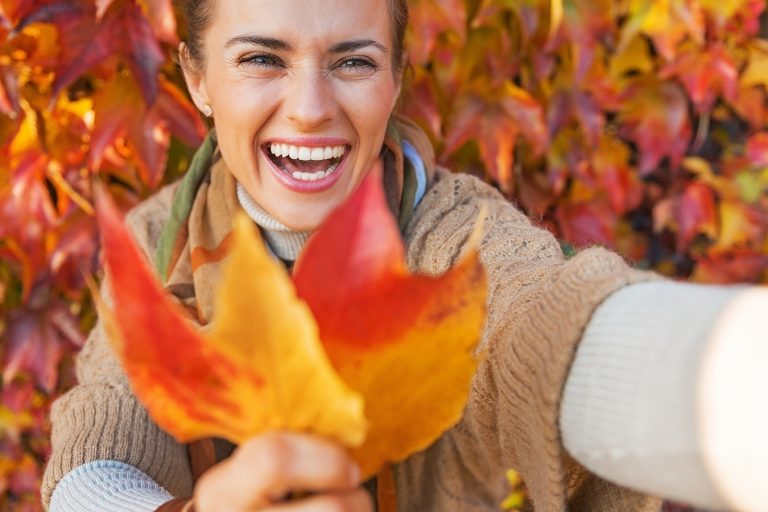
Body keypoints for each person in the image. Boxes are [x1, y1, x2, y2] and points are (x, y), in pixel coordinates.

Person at [42, 0, 767, 511]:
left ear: (395, 77)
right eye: (262, 58)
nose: (310, 109)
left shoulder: (456, 234)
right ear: (198, 78)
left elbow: (541, 321)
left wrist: (722, 384)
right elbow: (98, 449)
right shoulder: (156, 239)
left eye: (353, 62)